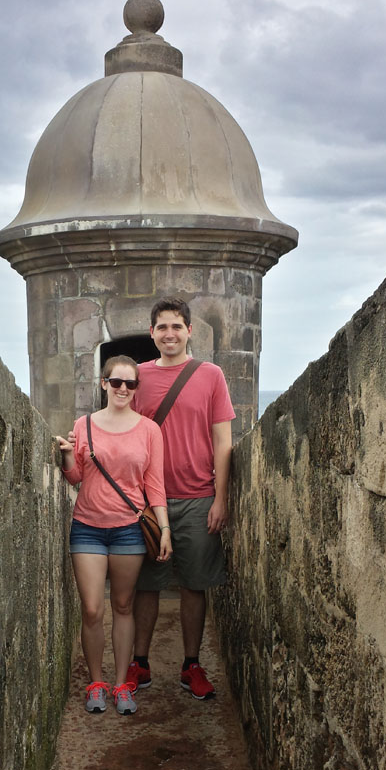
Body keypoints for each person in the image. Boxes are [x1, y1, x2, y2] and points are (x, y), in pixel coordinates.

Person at [127, 298, 235, 701]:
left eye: (176, 326)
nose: (169, 334)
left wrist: (220, 498)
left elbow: (223, 440)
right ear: (151, 333)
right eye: (162, 327)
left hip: (197, 498)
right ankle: (140, 662)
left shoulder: (210, 375)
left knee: (194, 584)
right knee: (146, 585)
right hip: (148, 500)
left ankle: (191, 665)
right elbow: (123, 430)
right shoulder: (137, 376)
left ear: (190, 331)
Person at [57, 355, 172, 716]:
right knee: (92, 609)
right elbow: (76, 479)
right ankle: (96, 681)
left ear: (137, 388)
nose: (124, 389)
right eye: (116, 382)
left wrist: (164, 528)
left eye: (131, 383)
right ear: (103, 383)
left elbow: (155, 486)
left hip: (128, 530)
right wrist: (66, 458)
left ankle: (122, 683)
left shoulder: (150, 430)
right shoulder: (84, 424)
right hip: (88, 527)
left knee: (123, 607)